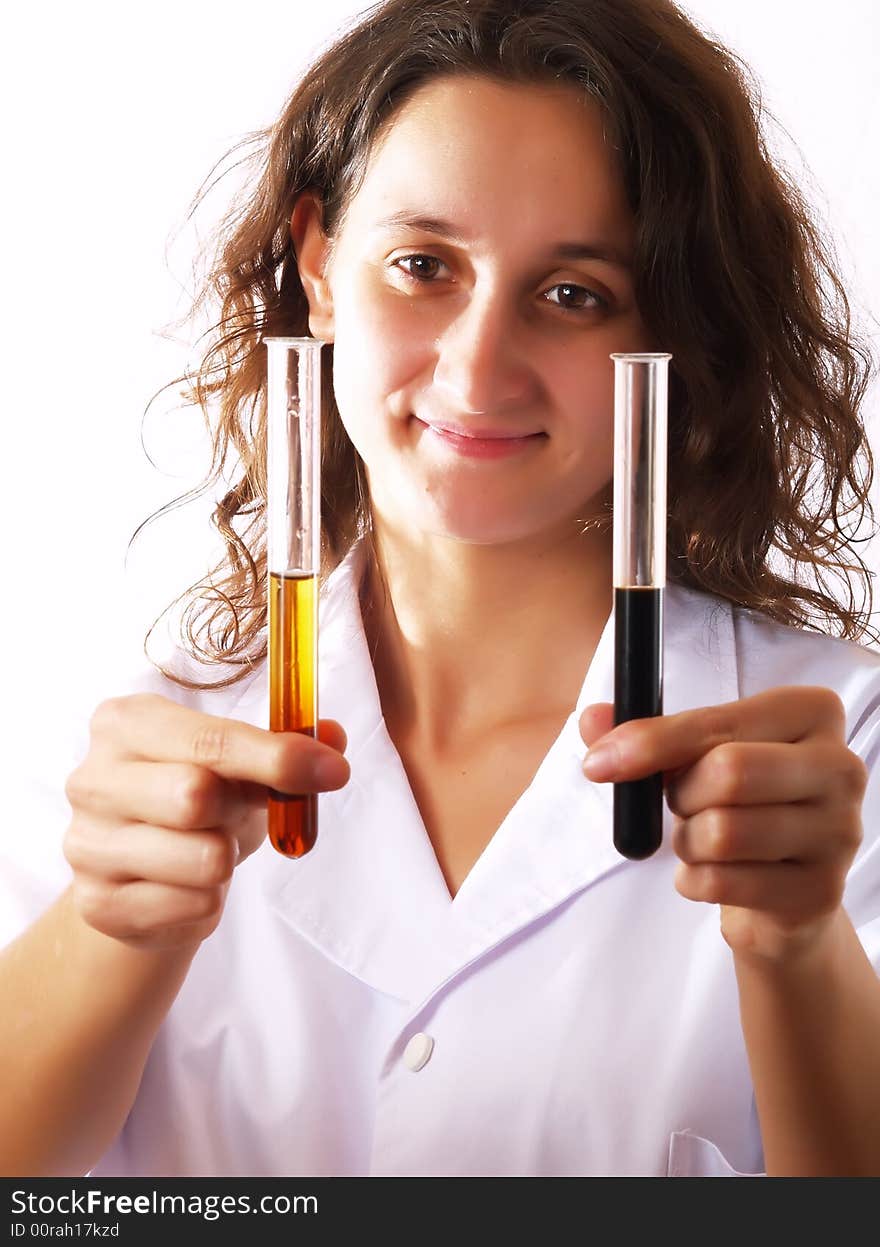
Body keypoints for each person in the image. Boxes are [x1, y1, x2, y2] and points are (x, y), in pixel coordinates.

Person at [2, 0, 880, 1179]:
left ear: (669, 327)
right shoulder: (135, 754)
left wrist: (798, 946)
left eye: (573, 292)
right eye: (422, 265)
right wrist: (107, 931)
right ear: (319, 267)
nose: (476, 364)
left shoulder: (838, 746)